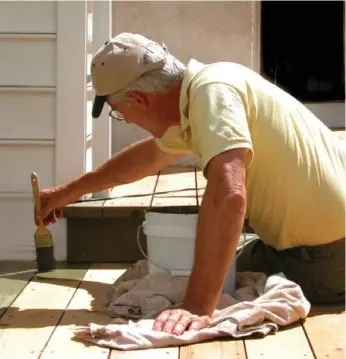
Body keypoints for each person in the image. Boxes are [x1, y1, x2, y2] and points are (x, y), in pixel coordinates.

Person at [36, 32, 345, 335]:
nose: (126, 120)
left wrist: (197, 305)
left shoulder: (212, 95)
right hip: (319, 245)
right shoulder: (206, 88)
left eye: (118, 112)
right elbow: (145, 159)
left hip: (326, 259)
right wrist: (67, 193)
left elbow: (228, 196)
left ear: (138, 99)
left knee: (205, 278)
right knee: (211, 266)